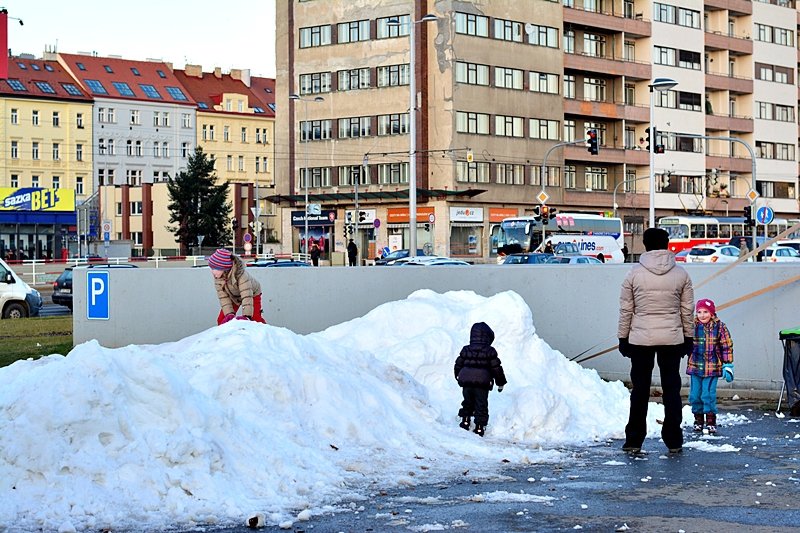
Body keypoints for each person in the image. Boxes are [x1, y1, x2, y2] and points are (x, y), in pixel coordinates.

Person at [617, 227, 694, 454]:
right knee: (672, 388)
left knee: (640, 390)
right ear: (667, 244)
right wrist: (688, 337)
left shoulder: (633, 274)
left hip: (640, 339)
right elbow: (687, 310)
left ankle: (634, 440)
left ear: (645, 245)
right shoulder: (681, 274)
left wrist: (623, 337)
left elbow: (626, 310)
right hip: (672, 338)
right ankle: (674, 440)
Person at [686, 298, 734, 435]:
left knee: (707, 395)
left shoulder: (720, 327)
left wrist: (728, 364)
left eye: (706, 312)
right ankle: (698, 420)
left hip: (712, 367)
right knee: (695, 395)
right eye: (699, 312)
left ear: (712, 313)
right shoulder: (692, 326)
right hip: (695, 366)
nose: (702, 315)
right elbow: (684, 340)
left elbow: (726, 346)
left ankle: (711, 421)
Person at [454, 322, 507, 437]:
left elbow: (458, 363)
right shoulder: (490, 351)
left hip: (466, 382)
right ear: (487, 337)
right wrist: (500, 382)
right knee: (481, 404)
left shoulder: (466, 349)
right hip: (482, 384)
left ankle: (465, 421)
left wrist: (457, 374)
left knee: (467, 401)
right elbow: (496, 368)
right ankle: (479, 427)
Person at [207, 248, 266, 325]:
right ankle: (227, 336)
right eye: (211, 268)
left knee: (255, 319)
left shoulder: (241, 276)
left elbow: (247, 296)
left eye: (215, 268)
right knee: (222, 319)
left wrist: (247, 316)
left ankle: (266, 333)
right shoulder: (218, 279)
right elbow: (224, 298)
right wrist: (229, 314)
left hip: (252, 293)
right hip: (234, 296)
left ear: (224, 268)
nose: (212, 271)